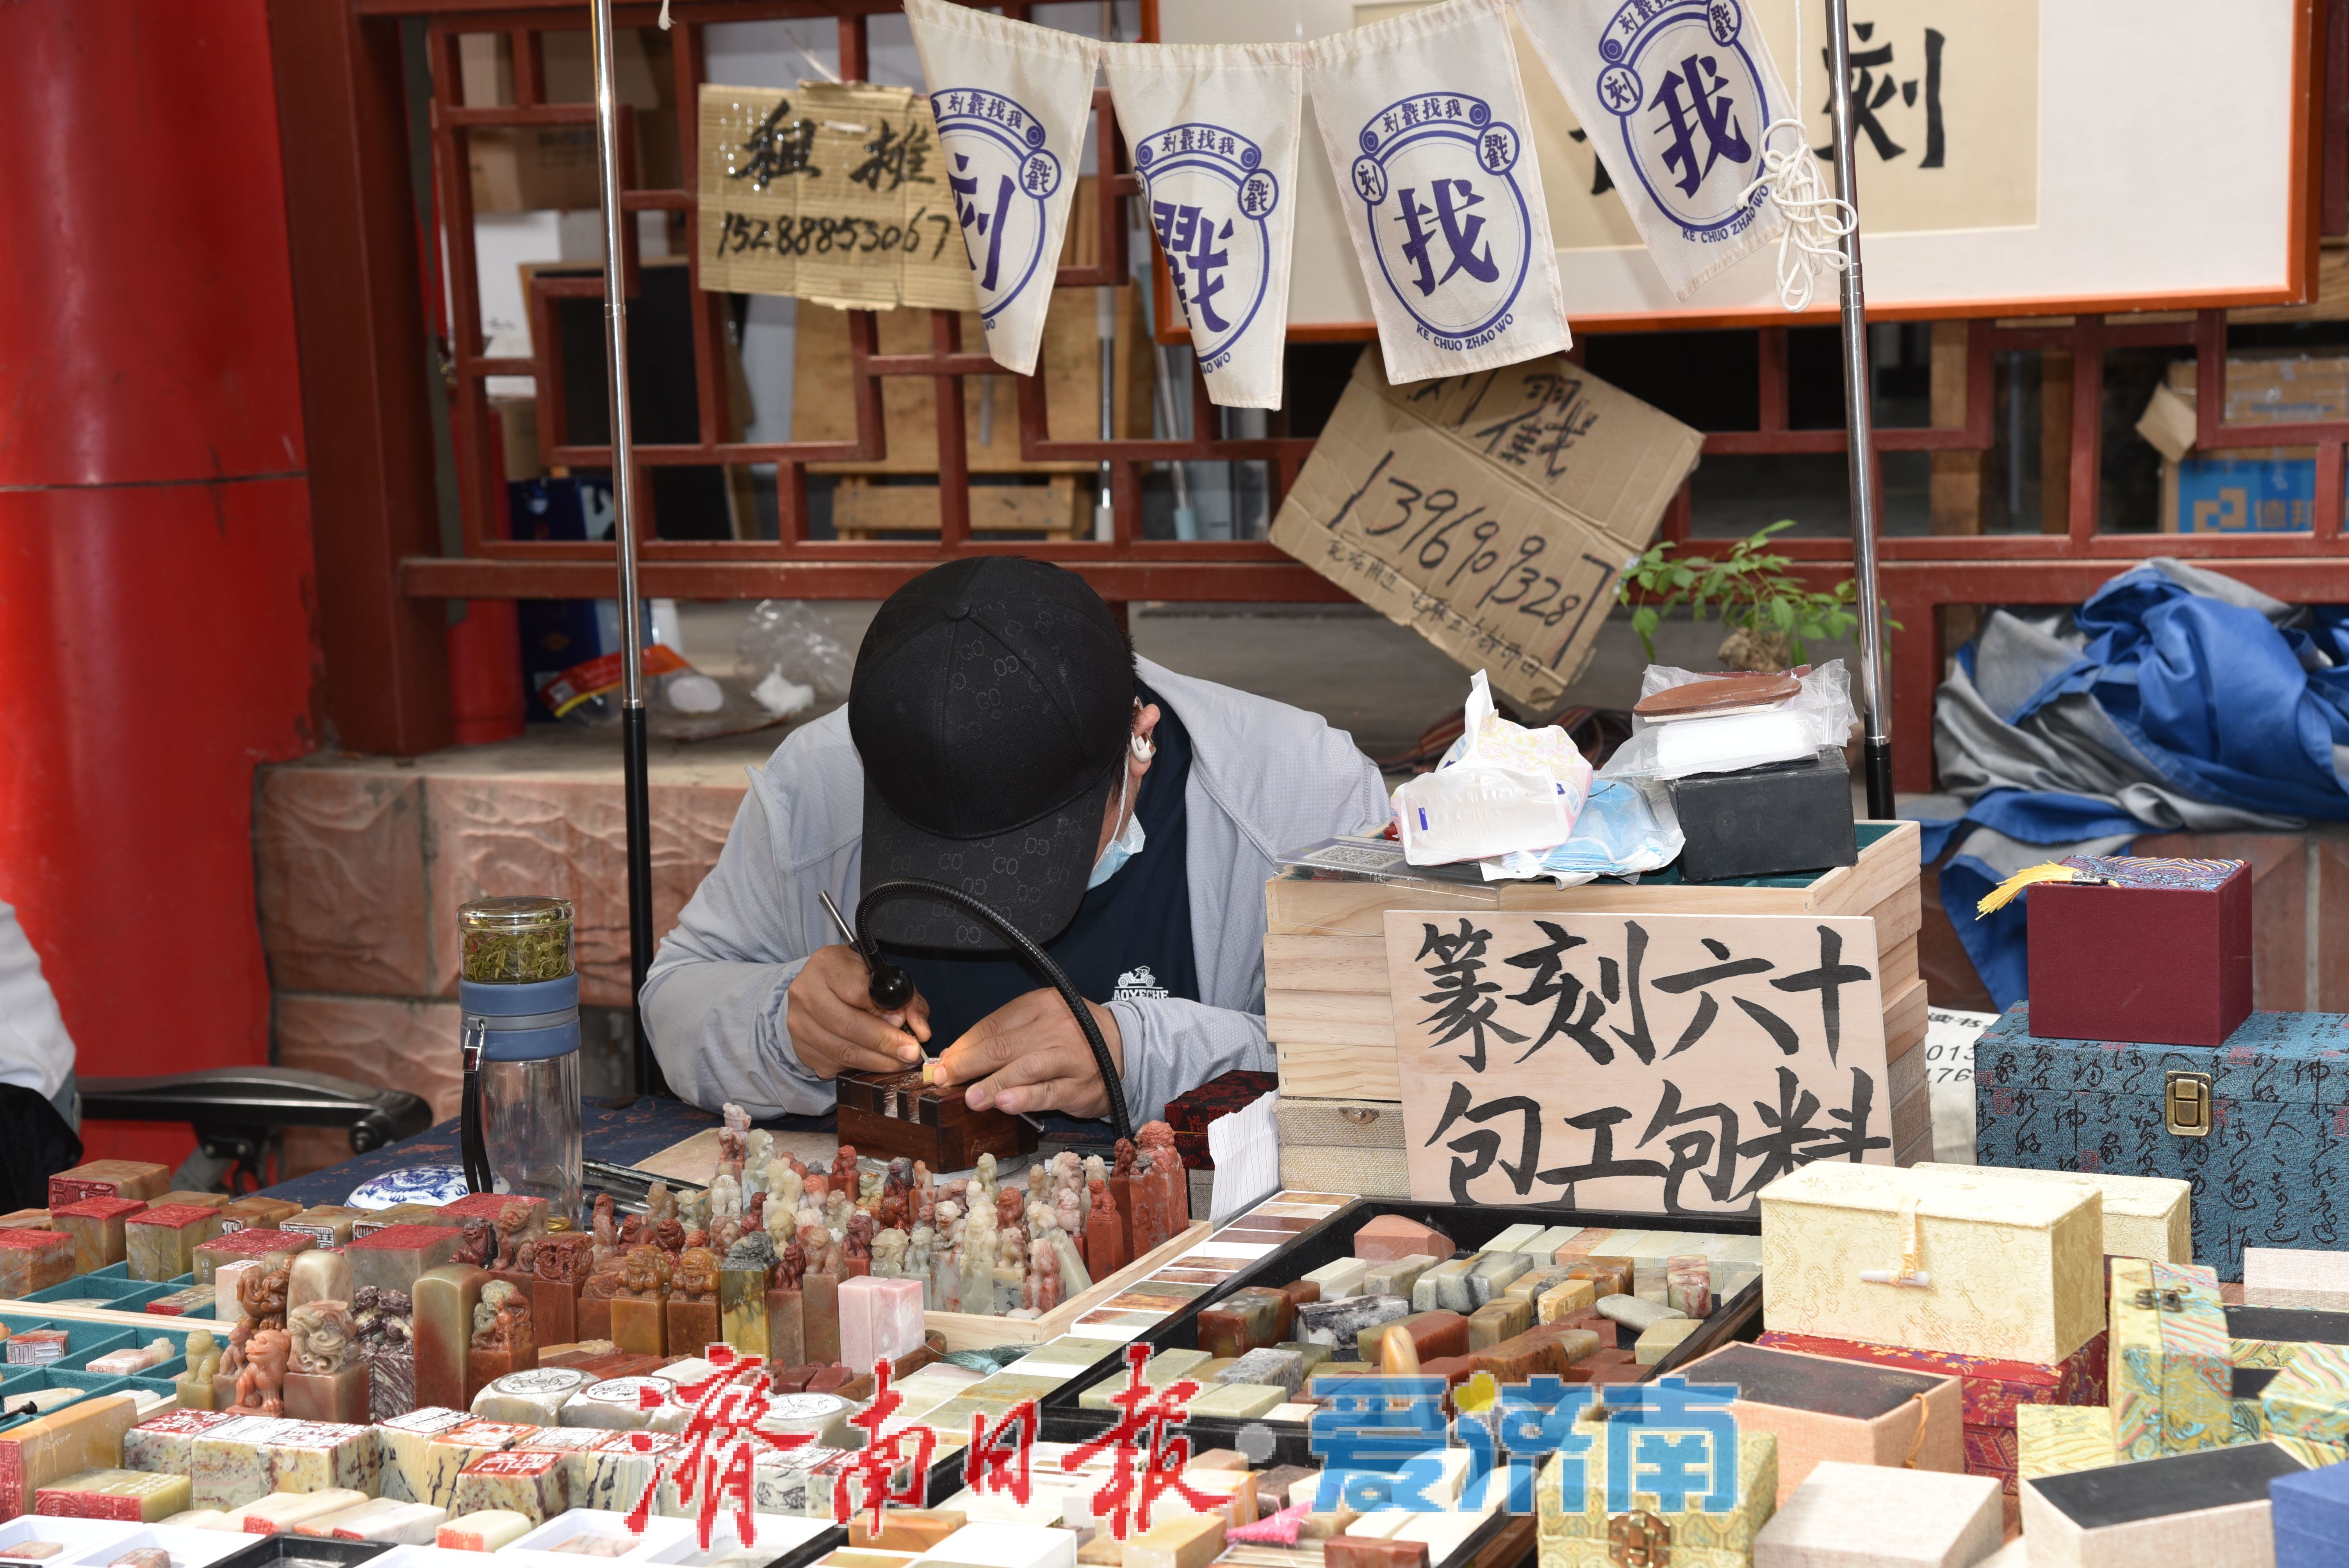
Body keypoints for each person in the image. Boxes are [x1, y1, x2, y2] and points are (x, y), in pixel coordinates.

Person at [643, 557, 1386, 1125]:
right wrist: (785, 1027)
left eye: (1030, 848)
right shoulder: (821, 783)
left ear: (1139, 735)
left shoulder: (1301, 798)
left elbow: (1388, 1059)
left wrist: (1137, 1054)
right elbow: (675, 999)